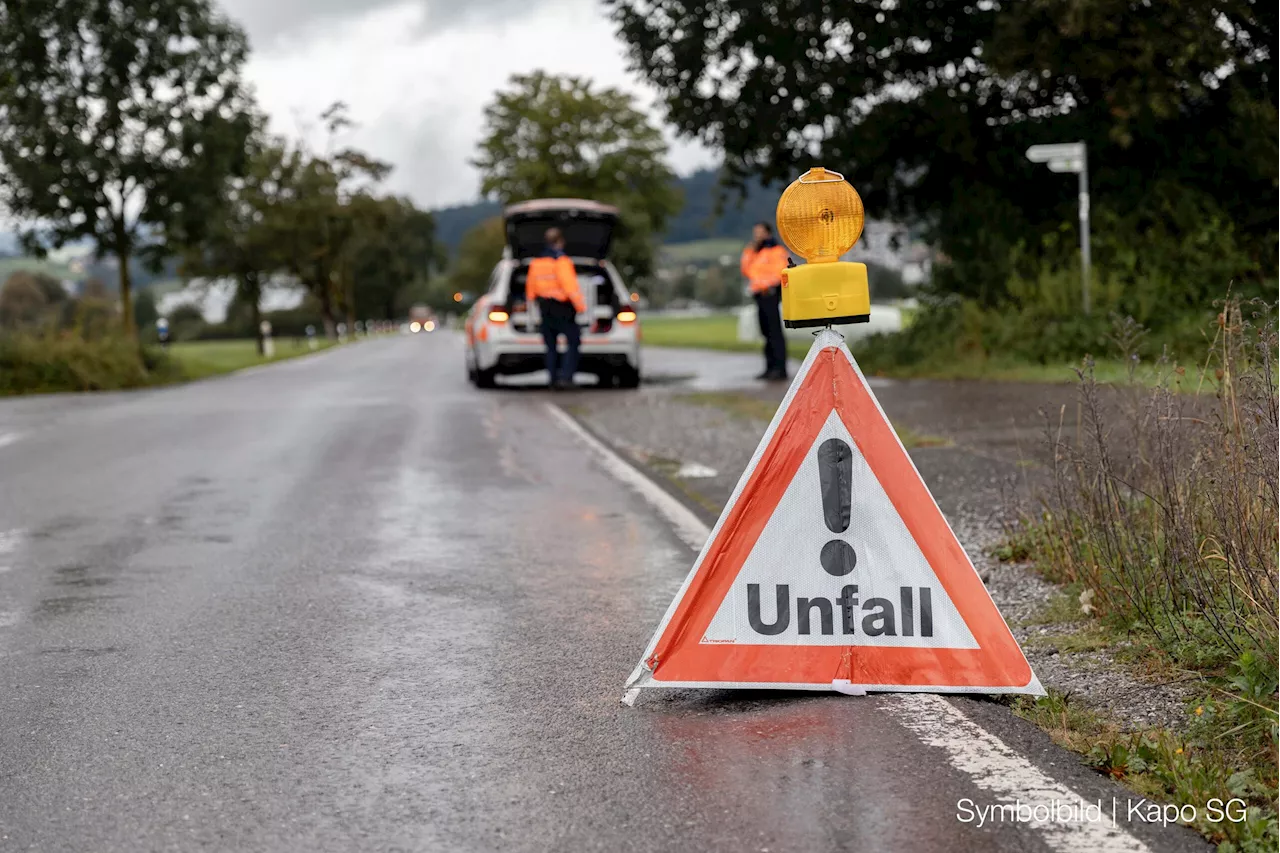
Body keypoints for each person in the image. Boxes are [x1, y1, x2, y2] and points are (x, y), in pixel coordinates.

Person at [526, 227, 586, 389]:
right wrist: (580, 307)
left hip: (544, 307)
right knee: (573, 341)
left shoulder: (536, 263)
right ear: (560, 242)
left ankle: (552, 379)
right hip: (562, 307)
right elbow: (570, 286)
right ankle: (566, 378)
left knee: (550, 346)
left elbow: (530, 289)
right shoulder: (562, 261)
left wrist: (532, 306)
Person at [741, 222, 791, 380]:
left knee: (774, 331)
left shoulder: (776, 251)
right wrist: (750, 250)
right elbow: (746, 269)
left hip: (770, 293)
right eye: (755, 232)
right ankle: (769, 367)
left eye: (760, 232)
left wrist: (768, 285)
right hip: (759, 295)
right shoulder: (756, 252)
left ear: (767, 233)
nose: (757, 235)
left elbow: (780, 272)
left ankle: (780, 368)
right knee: (765, 332)